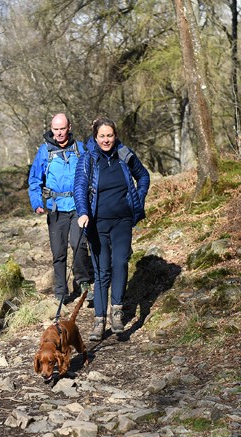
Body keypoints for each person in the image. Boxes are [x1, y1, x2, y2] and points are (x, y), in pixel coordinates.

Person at [74, 117, 150, 341]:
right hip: (97, 223)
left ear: (115, 136)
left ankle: (116, 312)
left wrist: (138, 198)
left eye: (110, 135)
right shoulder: (88, 159)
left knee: (120, 263)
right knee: (101, 270)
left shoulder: (125, 154)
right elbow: (79, 187)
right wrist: (83, 212)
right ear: (95, 137)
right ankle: (99, 320)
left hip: (123, 221)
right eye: (102, 136)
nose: (106, 140)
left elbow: (143, 175)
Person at [28, 113, 93, 303]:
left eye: (62, 129)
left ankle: (83, 282)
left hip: (78, 206)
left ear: (69, 128)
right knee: (58, 252)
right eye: (55, 129)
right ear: (51, 129)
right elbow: (34, 180)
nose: (58, 133)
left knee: (79, 244)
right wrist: (37, 203)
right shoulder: (44, 151)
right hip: (56, 208)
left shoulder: (80, 149)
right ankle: (61, 291)